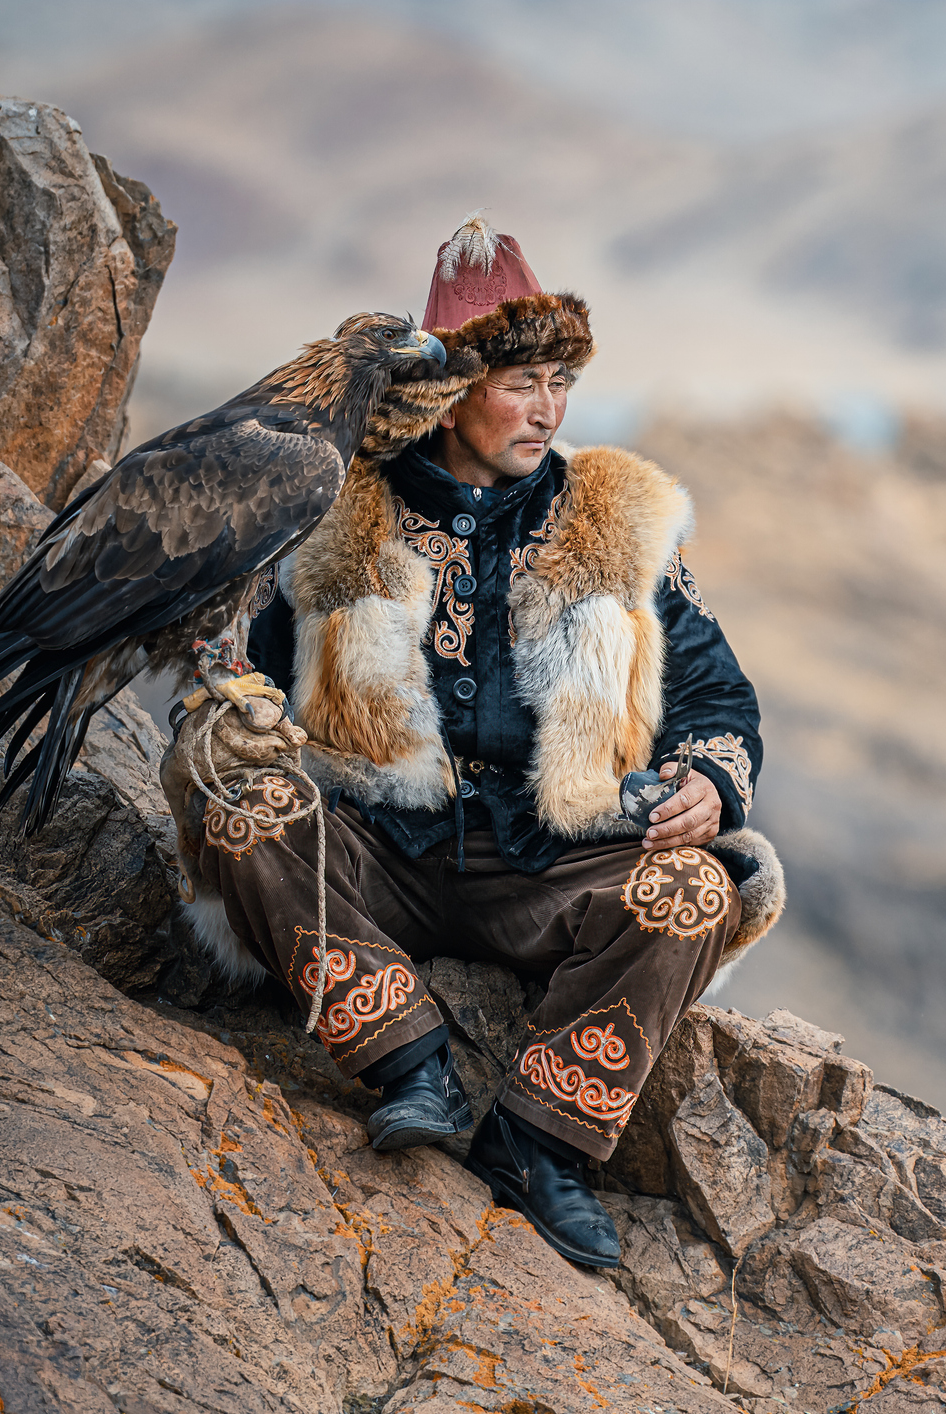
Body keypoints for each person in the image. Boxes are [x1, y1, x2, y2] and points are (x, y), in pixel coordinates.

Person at [158, 215, 783, 1270]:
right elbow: (237, 660)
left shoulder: (617, 520)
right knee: (234, 811)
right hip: (378, 851)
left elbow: (717, 693)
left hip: (553, 859)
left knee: (699, 891)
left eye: (561, 382)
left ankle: (536, 1144)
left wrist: (713, 783)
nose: (549, 410)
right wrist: (232, 712)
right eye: (521, 383)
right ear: (453, 392)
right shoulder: (336, 511)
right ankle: (410, 1061)